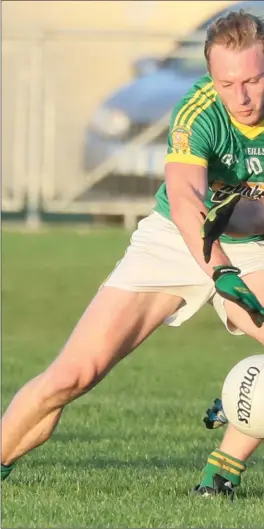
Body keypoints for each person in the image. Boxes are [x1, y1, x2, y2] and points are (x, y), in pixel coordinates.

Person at [1, 9, 264, 500]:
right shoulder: (198, 110)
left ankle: (221, 472)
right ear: (211, 76)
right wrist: (219, 271)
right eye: (228, 83)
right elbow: (187, 200)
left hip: (252, 249)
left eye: (253, 79)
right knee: (72, 375)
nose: (241, 97)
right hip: (173, 240)